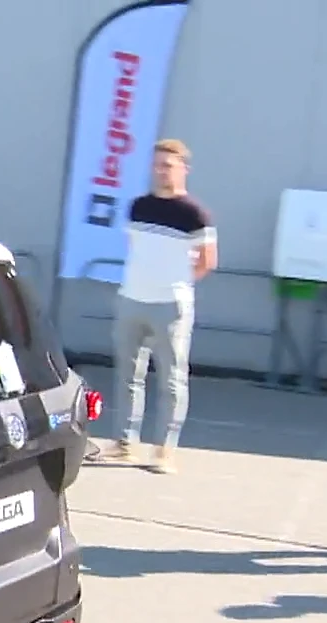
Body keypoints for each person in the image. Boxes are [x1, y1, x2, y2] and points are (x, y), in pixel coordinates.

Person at [94, 138, 217, 474]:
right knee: (128, 374)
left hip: (170, 304)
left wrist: (176, 284)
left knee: (171, 378)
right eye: (158, 164)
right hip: (132, 299)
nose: (162, 171)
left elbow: (207, 261)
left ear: (183, 169)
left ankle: (164, 450)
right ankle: (124, 444)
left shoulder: (195, 214)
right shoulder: (138, 207)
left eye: (169, 165)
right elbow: (137, 248)